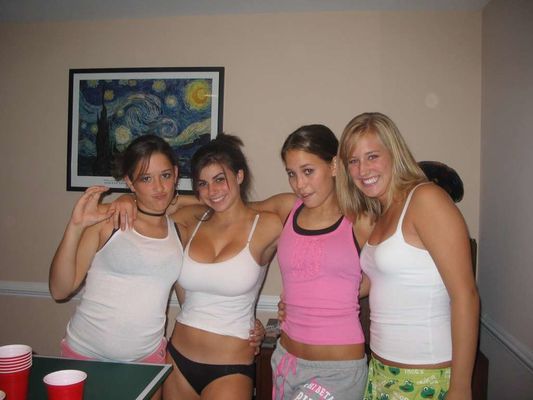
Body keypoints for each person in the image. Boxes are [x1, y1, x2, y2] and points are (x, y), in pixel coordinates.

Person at [335, 112, 480, 400]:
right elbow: (373, 283)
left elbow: (466, 296)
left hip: (427, 375)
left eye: (372, 156)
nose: (363, 170)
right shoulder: (382, 212)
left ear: (394, 153)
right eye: (353, 161)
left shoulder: (426, 199)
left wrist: (461, 388)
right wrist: (306, 300)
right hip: (381, 371)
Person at [252, 125, 372, 400]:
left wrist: (345, 291)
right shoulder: (288, 208)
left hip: (337, 372)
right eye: (291, 174)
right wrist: (167, 203)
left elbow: (389, 274)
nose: (299, 184)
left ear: (334, 165)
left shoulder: (360, 219)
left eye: (308, 171)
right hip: (285, 362)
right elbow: (232, 210)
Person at [162, 134, 283, 400]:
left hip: (230, 367)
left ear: (239, 175)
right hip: (178, 359)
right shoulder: (190, 222)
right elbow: (159, 205)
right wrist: (127, 201)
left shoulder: (267, 225)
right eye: (203, 184)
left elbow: (301, 204)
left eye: (219, 179)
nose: (212, 190)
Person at [49, 134, 182, 367]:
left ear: (176, 174)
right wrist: (75, 227)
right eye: (146, 178)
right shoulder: (108, 220)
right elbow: (60, 291)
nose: (159, 187)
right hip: (85, 355)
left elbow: (209, 203)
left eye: (165, 175)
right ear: (130, 182)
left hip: (148, 358)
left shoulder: (180, 229)